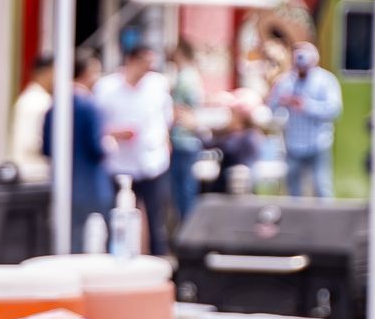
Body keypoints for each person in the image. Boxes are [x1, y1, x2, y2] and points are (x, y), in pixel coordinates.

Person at [94, 44, 174, 256]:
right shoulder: (106, 88)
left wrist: (165, 142)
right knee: (115, 219)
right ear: (130, 61)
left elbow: (165, 118)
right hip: (118, 163)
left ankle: (159, 262)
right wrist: (114, 133)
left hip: (152, 162)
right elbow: (96, 124)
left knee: (156, 221)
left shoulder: (158, 85)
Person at [42, 49, 110, 251]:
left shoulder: (54, 106)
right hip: (91, 187)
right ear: (87, 73)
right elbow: (97, 148)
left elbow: (46, 148)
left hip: (62, 185)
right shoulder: (90, 106)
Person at [269, 42, 342, 198]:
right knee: (293, 190)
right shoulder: (285, 81)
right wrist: (282, 101)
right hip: (293, 144)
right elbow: (272, 107)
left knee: (321, 186)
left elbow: (335, 109)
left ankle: (326, 221)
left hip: (318, 143)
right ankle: (295, 222)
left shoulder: (326, 80)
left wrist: (306, 105)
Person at [166, 42, 204, 231]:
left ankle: (188, 230)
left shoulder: (186, 77)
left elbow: (189, 109)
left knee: (184, 192)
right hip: (186, 140)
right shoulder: (189, 75)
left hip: (183, 140)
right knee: (184, 191)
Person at [204, 92, 264, 194]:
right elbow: (209, 144)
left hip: (239, 186)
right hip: (224, 185)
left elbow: (229, 148)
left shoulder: (250, 136)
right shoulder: (231, 133)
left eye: (232, 113)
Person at [11, 51, 55, 175]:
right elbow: (31, 142)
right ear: (47, 72)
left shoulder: (32, 98)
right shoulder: (38, 101)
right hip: (34, 171)